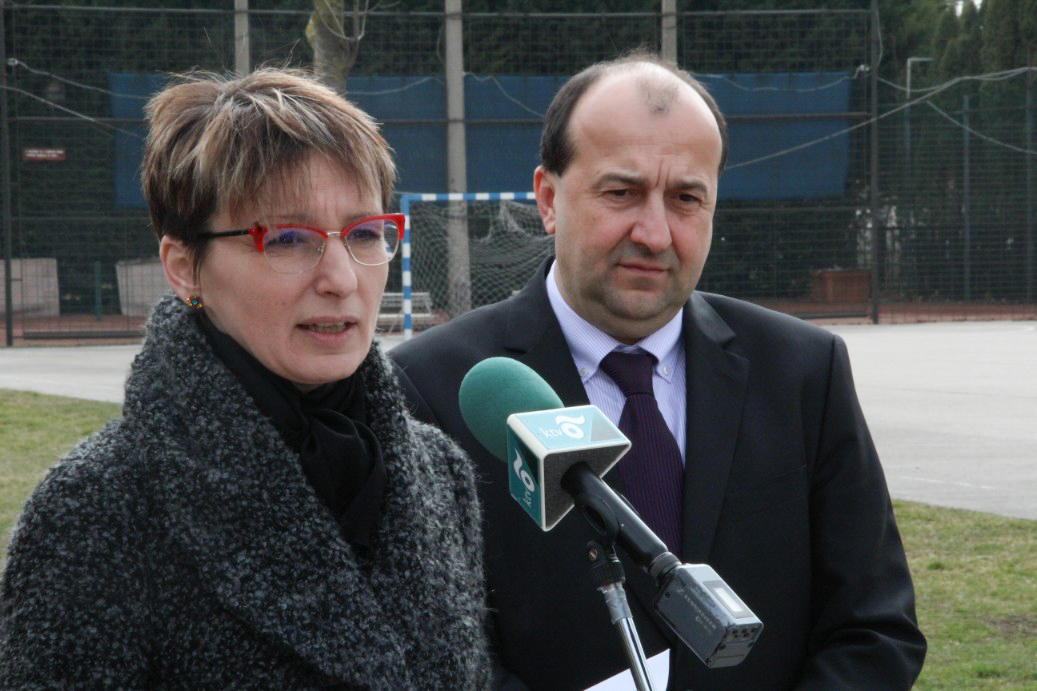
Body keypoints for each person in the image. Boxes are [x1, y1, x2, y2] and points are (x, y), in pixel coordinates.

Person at [390, 52, 926, 690]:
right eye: (622, 192)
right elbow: (427, 653)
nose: (654, 233)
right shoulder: (432, 388)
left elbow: (875, 627)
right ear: (548, 199)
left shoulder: (805, 373)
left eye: (685, 199)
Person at [0, 68, 490, 688]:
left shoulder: (442, 474)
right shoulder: (93, 509)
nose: (342, 278)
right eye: (287, 239)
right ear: (185, 268)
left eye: (365, 233)